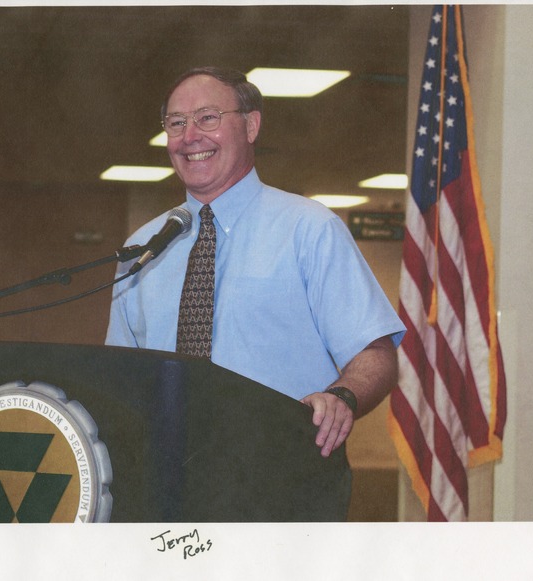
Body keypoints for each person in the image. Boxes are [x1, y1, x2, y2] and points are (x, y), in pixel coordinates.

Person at [106, 66, 405, 459]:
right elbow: (117, 374)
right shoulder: (143, 246)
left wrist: (341, 398)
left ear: (251, 126)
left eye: (208, 118)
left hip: (280, 470)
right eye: (176, 123)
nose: (190, 136)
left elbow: (375, 352)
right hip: (164, 472)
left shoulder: (310, 230)